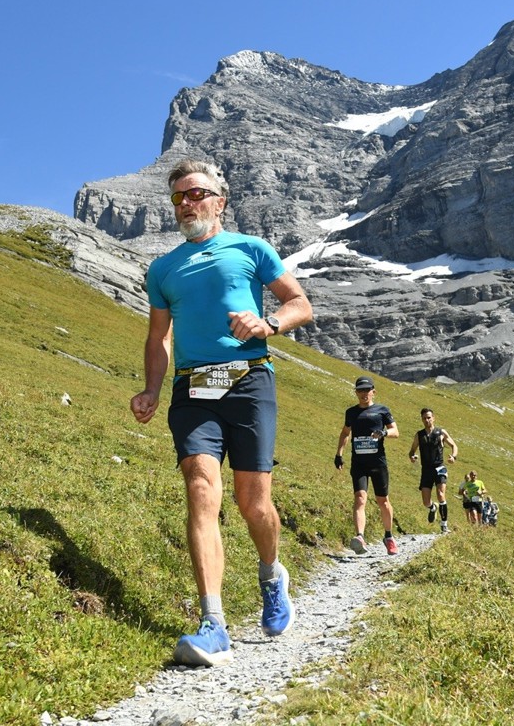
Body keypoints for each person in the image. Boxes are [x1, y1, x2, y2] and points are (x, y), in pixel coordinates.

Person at [130, 158, 313, 668]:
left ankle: (272, 575)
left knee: (254, 504)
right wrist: (150, 388)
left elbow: (301, 302)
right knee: (201, 491)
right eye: (178, 197)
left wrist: (268, 324)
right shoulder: (163, 269)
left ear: (219, 200)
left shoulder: (250, 248)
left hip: (250, 381)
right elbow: (157, 336)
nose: (185, 204)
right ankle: (214, 623)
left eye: (194, 194)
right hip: (192, 390)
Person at [335, 376, 400, 555]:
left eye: (367, 390)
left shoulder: (382, 410)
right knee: (360, 499)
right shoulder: (351, 412)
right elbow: (345, 432)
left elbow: (396, 431)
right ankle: (360, 537)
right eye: (360, 390)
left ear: (373, 392)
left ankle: (388, 537)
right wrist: (339, 454)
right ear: (356, 392)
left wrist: (384, 433)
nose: (364, 394)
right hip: (359, 463)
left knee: (383, 501)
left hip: (378, 463)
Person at [408, 408, 458, 533]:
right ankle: (432, 507)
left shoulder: (441, 432)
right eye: (424, 418)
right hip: (426, 470)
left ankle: (444, 524)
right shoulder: (419, 435)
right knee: (425, 501)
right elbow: (412, 450)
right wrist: (412, 456)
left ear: (433, 418)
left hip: (440, 467)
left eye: (429, 417)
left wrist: (453, 456)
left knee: (441, 494)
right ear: (422, 419)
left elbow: (453, 445)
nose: (427, 420)